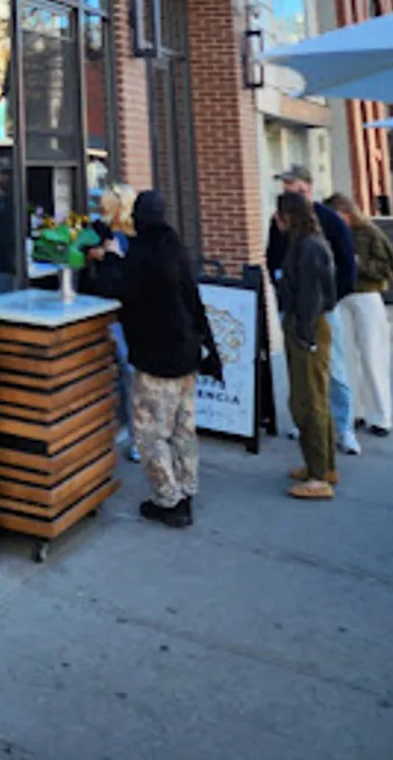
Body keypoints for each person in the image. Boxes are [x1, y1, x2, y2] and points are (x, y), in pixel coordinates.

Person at [86, 190, 221, 529]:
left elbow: (118, 288)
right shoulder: (173, 246)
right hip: (186, 352)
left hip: (156, 357)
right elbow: (191, 296)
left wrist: (110, 258)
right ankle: (186, 489)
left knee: (150, 433)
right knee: (182, 428)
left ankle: (168, 500)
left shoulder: (143, 253)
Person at [266, 165, 359, 454]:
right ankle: (304, 423)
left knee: (333, 369)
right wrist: (282, 292)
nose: (288, 194)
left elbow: (346, 264)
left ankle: (343, 427)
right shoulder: (279, 223)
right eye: (285, 188)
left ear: (307, 187)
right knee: (299, 370)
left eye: (293, 188)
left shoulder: (328, 221)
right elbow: (272, 258)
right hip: (292, 307)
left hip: (321, 310)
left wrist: (330, 299)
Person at [276, 191, 339, 499]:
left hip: (307, 326)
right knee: (315, 396)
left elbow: (309, 295)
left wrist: (304, 334)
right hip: (308, 325)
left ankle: (318, 477)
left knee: (307, 400)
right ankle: (323, 465)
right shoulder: (307, 244)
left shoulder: (309, 248)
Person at [326, 191, 393, 437]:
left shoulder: (370, 233)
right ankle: (354, 411)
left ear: (347, 213)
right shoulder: (332, 234)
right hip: (341, 297)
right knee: (345, 358)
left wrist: (360, 265)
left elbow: (389, 268)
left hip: (367, 295)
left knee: (372, 356)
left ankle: (380, 416)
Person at [85, 183, 138, 461]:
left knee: (129, 372)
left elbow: (120, 279)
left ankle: (136, 434)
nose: (101, 211)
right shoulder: (105, 232)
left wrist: (107, 257)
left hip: (125, 314)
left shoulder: (128, 239)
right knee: (122, 373)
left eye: (105, 206)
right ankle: (126, 427)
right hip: (114, 312)